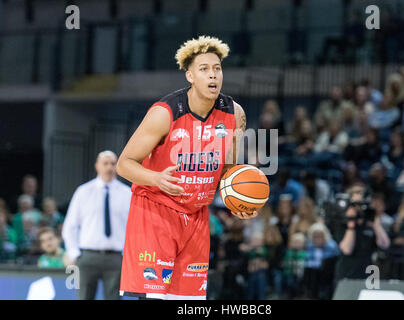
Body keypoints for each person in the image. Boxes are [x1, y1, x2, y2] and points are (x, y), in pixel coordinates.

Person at [116, 36, 258, 300]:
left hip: (196, 217)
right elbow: (124, 164)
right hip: (156, 212)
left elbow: (229, 170)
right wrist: (156, 178)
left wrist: (239, 200)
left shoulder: (234, 113)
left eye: (217, 68)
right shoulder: (165, 112)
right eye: (204, 69)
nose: (213, 75)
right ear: (190, 75)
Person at [62, 150, 132, 300]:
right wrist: (74, 253)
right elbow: (70, 225)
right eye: (105, 163)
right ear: (97, 166)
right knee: (83, 297)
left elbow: (133, 228)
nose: (109, 167)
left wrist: (127, 255)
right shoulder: (83, 191)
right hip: (88, 256)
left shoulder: (127, 193)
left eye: (113, 164)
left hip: (116, 257)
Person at [334, 185, 390, 282]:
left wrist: (376, 224)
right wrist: (351, 223)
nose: (358, 208)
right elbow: (347, 250)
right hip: (347, 274)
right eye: (355, 204)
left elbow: (385, 245)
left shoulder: (370, 222)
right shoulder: (342, 223)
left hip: (368, 275)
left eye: (361, 204)